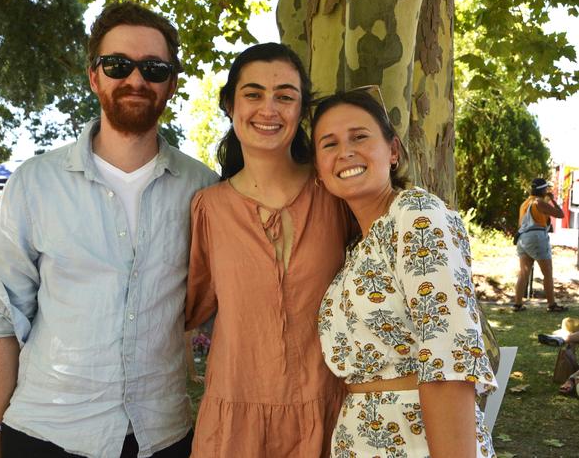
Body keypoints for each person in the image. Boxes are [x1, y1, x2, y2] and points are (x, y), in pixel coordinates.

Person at [0, 2, 217, 458]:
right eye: (118, 64)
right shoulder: (34, 183)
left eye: (154, 67)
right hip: (47, 433)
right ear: (94, 76)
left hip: (162, 437)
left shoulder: (204, 190)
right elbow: (4, 320)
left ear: (173, 83)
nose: (136, 79)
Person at [185, 43, 353, 457]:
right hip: (233, 428)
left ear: (301, 109)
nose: (269, 109)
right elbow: (192, 307)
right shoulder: (208, 208)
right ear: (229, 104)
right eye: (254, 93)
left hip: (332, 417)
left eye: (285, 96)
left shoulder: (336, 194)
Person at [312, 88, 496, 457]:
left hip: (420, 441)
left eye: (359, 136)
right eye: (328, 144)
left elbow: (449, 354)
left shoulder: (416, 214)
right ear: (318, 171)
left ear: (393, 151)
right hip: (360, 439)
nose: (345, 151)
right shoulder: (357, 248)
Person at [512, 178, 566, 312]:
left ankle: (517, 304)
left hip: (522, 239)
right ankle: (552, 304)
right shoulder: (539, 202)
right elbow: (560, 214)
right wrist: (552, 200)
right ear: (543, 190)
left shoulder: (525, 203)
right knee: (547, 272)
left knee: (523, 273)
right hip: (536, 237)